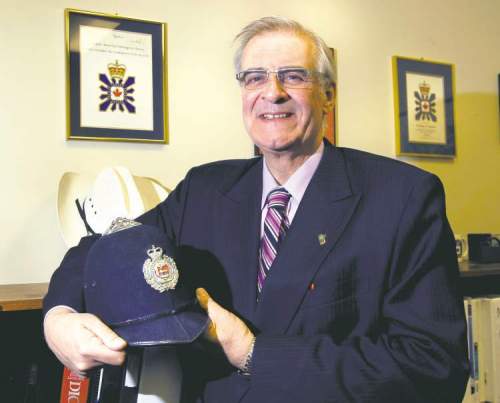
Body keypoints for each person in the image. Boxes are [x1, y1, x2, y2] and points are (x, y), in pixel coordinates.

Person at [44, 16, 468, 403]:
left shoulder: (403, 197)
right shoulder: (204, 189)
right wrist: (58, 318)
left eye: (293, 76)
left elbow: (433, 366)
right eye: (254, 77)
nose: (272, 92)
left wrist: (251, 352)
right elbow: (104, 248)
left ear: (328, 95)